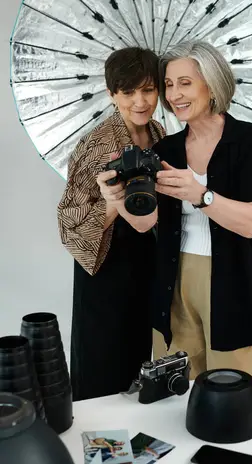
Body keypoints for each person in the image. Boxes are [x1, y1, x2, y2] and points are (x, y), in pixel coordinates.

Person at [152, 41, 252, 388]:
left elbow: (251, 223)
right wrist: (116, 196)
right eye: (169, 84)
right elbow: (147, 224)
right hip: (174, 280)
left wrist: (200, 194)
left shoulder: (247, 140)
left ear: (212, 82)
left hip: (234, 280)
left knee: (230, 394)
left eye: (185, 82)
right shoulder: (165, 149)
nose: (174, 94)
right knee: (173, 390)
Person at [58, 47, 164, 401]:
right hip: (106, 265)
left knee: (138, 356)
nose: (140, 101)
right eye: (128, 92)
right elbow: (68, 224)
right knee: (102, 362)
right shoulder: (97, 144)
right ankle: (99, 444)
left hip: (145, 261)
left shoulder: (160, 132)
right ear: (111, 94)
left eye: (148, 90)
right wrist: (114, 203)